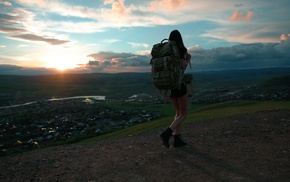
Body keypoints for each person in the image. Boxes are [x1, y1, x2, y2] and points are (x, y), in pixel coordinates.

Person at [160, 30, 192, 148]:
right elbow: (183, 65)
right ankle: (167, 133)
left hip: (170, 85)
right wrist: (188, 59)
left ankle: (177, 139)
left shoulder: (166, 51)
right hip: (179, 84)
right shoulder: (181, 50)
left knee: (178, 112)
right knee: (183, 113)